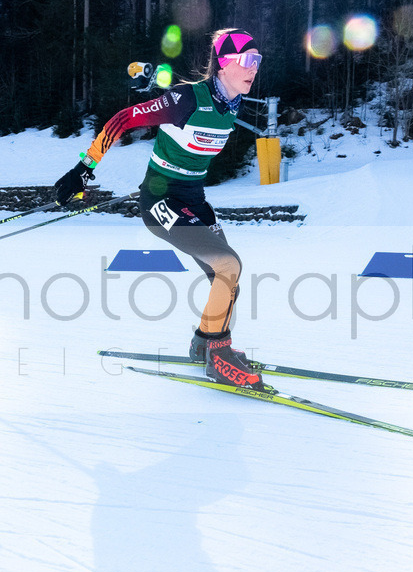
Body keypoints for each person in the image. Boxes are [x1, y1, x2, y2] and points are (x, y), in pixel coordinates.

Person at [54, 28, 267, 390]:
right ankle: (219, 355)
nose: (254, 68)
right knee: (227, 265)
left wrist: (151, 76)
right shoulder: (186, 99)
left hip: (194, 199)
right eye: (247, 60)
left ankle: (205, 344)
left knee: (227, 276)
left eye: (258, 61)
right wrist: (82, 170)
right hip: (161, 201)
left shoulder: (230, 105)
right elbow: (123, 120)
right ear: (224, 64)